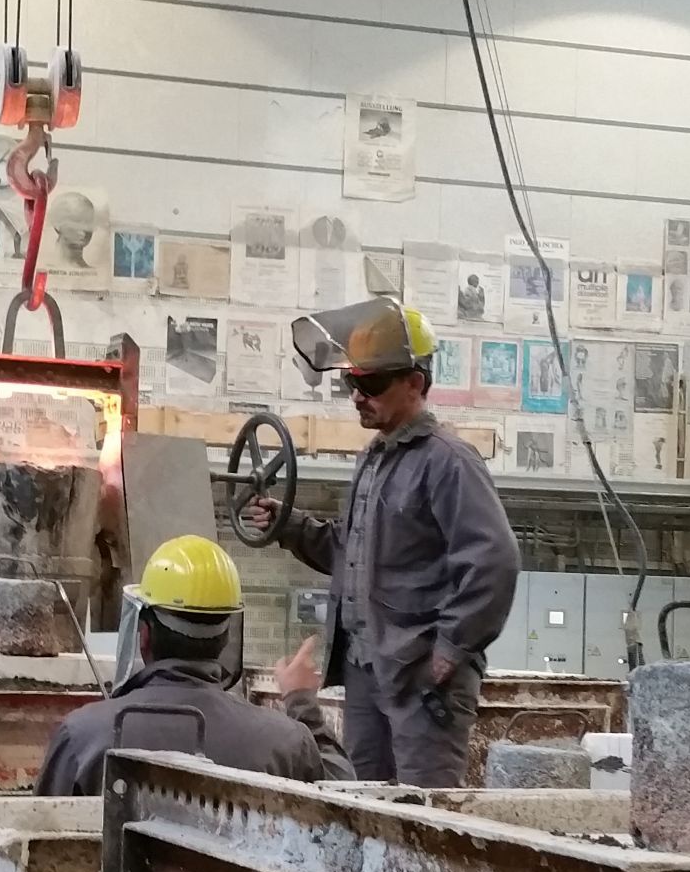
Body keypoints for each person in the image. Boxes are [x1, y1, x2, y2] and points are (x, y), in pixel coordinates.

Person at [280, 298, 520, 785]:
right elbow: (351, 554)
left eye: (370, 384)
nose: (356, 396)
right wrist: (290, 525)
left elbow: (494, 561)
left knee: (421, 810)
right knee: (365, 803)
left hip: (420, 679)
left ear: (414, 382)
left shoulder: (448, 461)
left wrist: (449, 650)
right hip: (366, 671)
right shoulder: (373, 460)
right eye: (351, 382)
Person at [36, 534, 353, 797]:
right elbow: (345, 796)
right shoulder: (283, 743)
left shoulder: (83, 736)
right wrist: (301, 701)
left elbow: (43, 831)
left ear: (143, 635)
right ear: (226, 638)